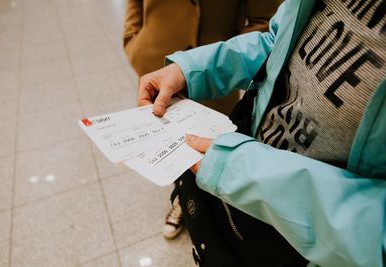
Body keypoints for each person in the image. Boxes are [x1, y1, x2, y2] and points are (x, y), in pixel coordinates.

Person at [137, 0, 386, 266]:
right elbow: (276, 41)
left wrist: (246, 173)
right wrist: (191, 69)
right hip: (243, 172)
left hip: (309, 248)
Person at [123, 0, 281, 239]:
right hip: (157, 61)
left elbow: (266, 22)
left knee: (208, 150)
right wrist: (133, 40)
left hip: (215, 80)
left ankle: (213, 213)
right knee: (167, 147)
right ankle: (181, 200)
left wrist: (225, 55)